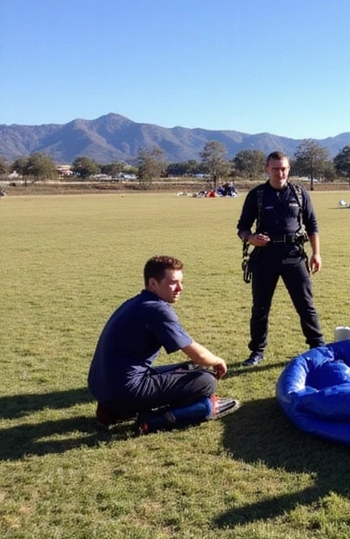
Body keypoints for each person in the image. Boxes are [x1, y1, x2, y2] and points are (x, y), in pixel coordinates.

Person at [88, 256, 240, 433]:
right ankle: (154, 420)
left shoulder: (135, 303)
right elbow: (195, 353)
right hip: (123, 391)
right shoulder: (157, 309)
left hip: (102, 386)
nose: (180, 288)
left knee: (190, 368)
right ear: (153, 283)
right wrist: (217, 360)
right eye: (173, 283)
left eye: (181, 282)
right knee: (206, 381)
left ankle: (111, 412)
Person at [236, 151, 324, 366]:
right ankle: (256, 352)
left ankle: (318, 348)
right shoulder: (257, 195)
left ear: (289, 168)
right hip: (264, 258)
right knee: (260, 308)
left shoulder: (300, 193)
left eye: (283, 168)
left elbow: (312, 225)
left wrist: (316, 253)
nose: (280, 172)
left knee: (306, 305)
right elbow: (242, 227)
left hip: (294, 256)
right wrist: (251, 239)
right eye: (275, 168)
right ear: (267, 169)